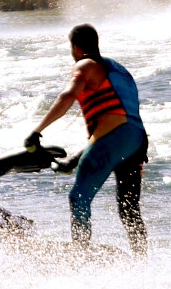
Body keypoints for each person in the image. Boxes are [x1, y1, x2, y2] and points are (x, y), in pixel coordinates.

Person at [28, 23, 148, 254]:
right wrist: (72, 162)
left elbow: (68, 95)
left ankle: (80, 260)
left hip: (116, 137)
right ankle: (141, 262)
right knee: (129, 209)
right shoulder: (119, 70)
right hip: (137, 140)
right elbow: (115, 123)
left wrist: (37, 131)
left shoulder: (85, 65)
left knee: (78, 198)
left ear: (76, 48)